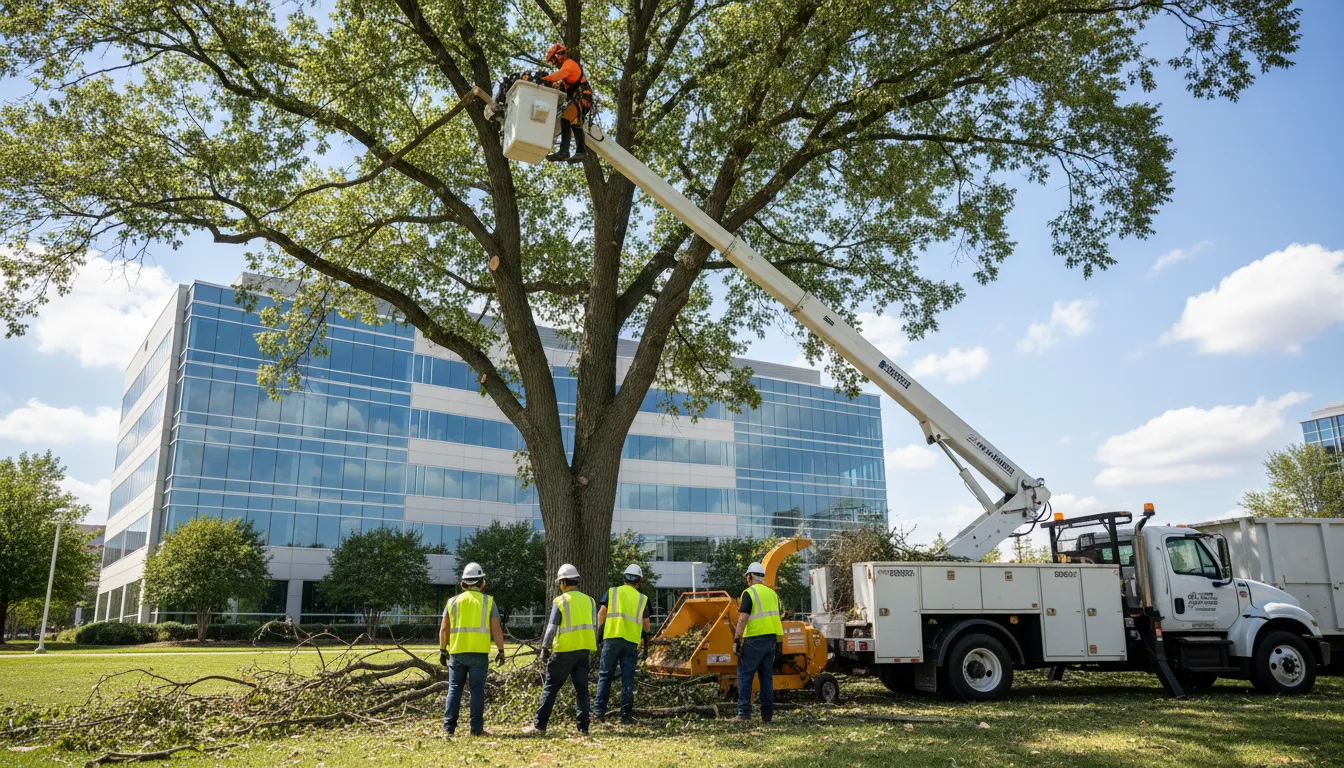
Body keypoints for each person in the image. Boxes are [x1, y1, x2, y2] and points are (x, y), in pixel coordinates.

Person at [524, 564, 597, 736]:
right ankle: (583, 727)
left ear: (563, 582)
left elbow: (550, 629)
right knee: (582, 689)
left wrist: (544, 648)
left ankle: (539, 725)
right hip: (584, 649)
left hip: (564, 650)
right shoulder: (590, 601)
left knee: (551, 687)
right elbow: (595, 626)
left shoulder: (560, 601)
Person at [440, 561, 507, 737]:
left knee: (454, 689)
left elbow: (444, 629)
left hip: (457, 653)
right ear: (482, 582)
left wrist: (442, 650)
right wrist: (501, 650)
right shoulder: (488, 602)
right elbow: (496, 629)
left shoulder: (452, 602)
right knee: (477, 691)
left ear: (463, 584)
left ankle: (449, 729)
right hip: (479, 654)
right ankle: (476, 729)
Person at [594, 563, 651, 725]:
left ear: (624, 578)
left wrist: (597, 632)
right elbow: (646, 626)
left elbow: (602, 613)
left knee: (605, 676)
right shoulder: (642, 599)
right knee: (628, 679)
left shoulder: (612, 592)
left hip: (611, 640)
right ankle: (625, 716)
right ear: (639, 581)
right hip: (630, 643)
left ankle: (598, 713)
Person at [733, 560, 783, 723]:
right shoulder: (773, 594)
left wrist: (736, 639)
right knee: (766, 678)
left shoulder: (749, 593)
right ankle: (767, 716)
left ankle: (744, 714)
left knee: (745, 675)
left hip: (754, 639)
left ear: (749, 578)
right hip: (771, 641)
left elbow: (742, 619)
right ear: (762, 577)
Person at [540, 43, 592, 163]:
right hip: (580, 99)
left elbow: (556, 76)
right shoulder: (567, 70)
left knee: (565, 119)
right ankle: (581, 152)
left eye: (553, 60)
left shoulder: (569, 65)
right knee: (574, 123)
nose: (553, 63)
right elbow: (562, 85)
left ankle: (564, 152)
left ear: (559, 55)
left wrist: (540, 79)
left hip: (583, 99)